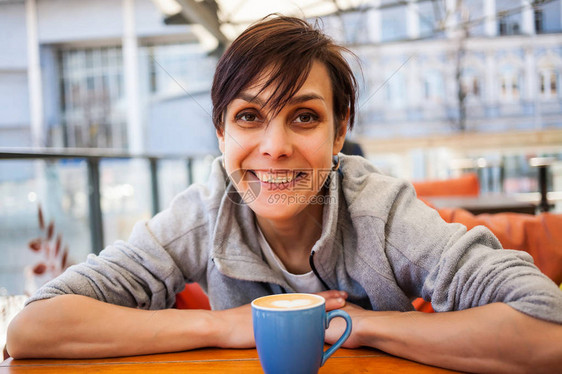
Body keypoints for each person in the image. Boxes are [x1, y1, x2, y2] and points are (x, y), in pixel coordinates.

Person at [7, 15, 562, 373]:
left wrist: (358, 325)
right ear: (222, 134)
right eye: (249, 116)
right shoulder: (203, 214)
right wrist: (223, 324)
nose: (274, 147)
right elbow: (34, 328)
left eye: (303, 117)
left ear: (339, 131)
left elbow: (547, 331)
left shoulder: (384, 213)